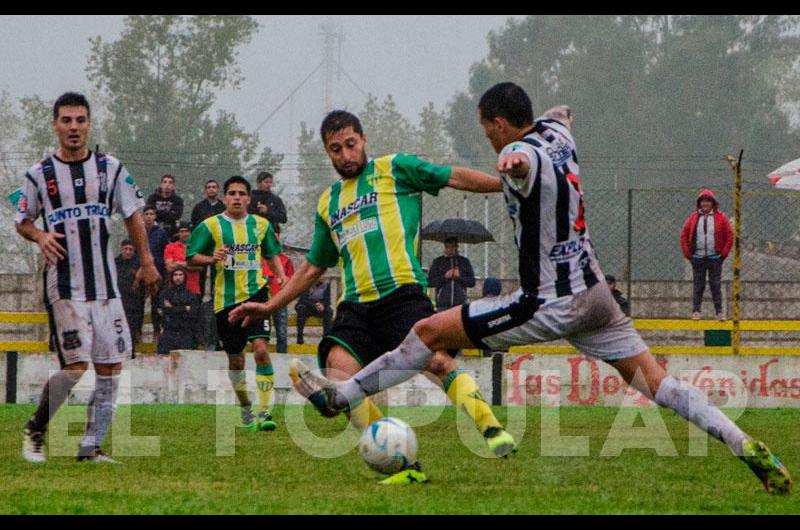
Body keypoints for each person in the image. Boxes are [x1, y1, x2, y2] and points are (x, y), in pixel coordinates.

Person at [285, 83, 792, 495]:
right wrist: (552, 120)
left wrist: (512, 163)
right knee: (659, 385)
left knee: (425, 332)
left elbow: (520, 164)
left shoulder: (520, 155)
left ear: (500, 125)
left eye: (488, 131)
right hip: (598, 296)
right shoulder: (557, 134)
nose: (489, 142)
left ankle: (340, 397)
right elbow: (563, 113)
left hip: (550, 302)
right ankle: (741, 441)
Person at [230, 110, 514, 485]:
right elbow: (315, 265)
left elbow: (452, 176)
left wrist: (507, 185)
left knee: (438, 362)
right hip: (356, 306)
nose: (345, 155)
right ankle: (402, 467)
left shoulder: (393, 168)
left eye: (350, 144)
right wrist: (270, 305)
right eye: (336, 149)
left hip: (402, 294)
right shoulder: (327, 202)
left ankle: (492, 429)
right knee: (340, 374)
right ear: (327, 153)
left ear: (362, 139)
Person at [16, 92, 161, 464]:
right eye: (66, 120)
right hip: (65, 285)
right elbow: (23, 220)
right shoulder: (38, 174)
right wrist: (40, 235)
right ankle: (35, 428)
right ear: (55, 125)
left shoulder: (110, 168)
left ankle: (90, 447)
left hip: (106, 287)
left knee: (111, 366)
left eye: (80, 120)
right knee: (77, 366)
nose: (74, 128)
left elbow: (132, 213)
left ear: (89, 123)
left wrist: (147, 261)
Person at [187, 176, 286, 432]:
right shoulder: (211, 225)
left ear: (249, 198)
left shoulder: (261, 224)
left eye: (242, 193)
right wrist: (211, 258)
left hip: (257, 295)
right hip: (226, 302)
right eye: (232, 193)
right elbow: (191, 257)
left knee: (262, 350)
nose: (237, 197)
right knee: (237, 361)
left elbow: (272, 252)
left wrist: (281, 275)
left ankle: (265, 411)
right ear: (224, 197)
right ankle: (245, 407)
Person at [680, 189, 732, 321]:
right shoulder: (693, 218)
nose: (705, 204)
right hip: (697, 258)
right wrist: (688, 255)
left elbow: (729, 235)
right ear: (699, 203)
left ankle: (719, 312)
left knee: (715, 285)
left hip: (715, 258)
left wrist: (723, 254)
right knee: (698, 285)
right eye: (703, 201)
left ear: (713, 203)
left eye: (708, 201)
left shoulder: (721, 218)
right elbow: (684, 235)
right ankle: (696, 311)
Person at [190, 179, 226, 299]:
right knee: (201, 274)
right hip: (203, 246)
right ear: (205, 190)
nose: (211, 189)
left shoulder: (223, 207)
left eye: (214, 187)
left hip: (219, 246)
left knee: (218, 275)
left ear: (218, 190)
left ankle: (215, 301)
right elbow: (194, 226)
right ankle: (198, 302)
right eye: (209, 187)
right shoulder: (199, 207)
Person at [156, 266, 199, 354]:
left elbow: (192, 314)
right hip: (169, 332)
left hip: (185, 332)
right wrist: (184, 308)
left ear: (184, 277)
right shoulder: (165, 293)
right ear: (172, 277)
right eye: (175, 275)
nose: (178, 277)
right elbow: (164, 311)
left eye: (180, 275)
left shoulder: (191, 295)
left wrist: (172, 308)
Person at [427, 237, 476, 311]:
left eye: (453, 246)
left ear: (457, 247)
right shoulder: (438, 262)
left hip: (460, 303)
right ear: (445, 247)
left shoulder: (464, 262)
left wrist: (459, 277)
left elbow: (472, 282)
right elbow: (430, 282)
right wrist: (445, 277)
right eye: (447, 247)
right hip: (442, 304)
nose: (450, 250)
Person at [144, 205, 169, 342]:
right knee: (137, 302)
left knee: (156, 302)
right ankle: (135, 331)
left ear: (154, 216)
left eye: (151, 214)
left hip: (158, 271)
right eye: (146, 213)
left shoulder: (161, 232)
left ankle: (157, 330)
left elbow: (165, 251)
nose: (148, 216)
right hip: (141, 271)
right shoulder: (139, 231)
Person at [263, 250, 295, 353]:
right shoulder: (259, 258)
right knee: (262, 334)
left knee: (281, 333)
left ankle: (282, 358)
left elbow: (292, 280)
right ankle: (262, 360)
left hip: (280, 301)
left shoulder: (286, 260)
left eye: (276, 234)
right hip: (263, 301)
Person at [116, 240, 145, 345]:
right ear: (121, 249)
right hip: (118, 301)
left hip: (134, 302)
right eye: (125, 249)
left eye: (130, 249)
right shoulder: (115, 262)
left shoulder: (138, 264)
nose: (128, 252)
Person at [164, 221, 202, 297]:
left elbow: (200, 267)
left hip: (193, 289)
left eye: (187, 231)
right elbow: (169, 268)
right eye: (182, 231)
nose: (184, 234)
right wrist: (190, 265)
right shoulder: (170, 247)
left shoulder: (197, 248)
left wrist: (179, 264)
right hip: (174, 289)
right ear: (178, 233)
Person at [295, 279, 333, 344]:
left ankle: (326, 337)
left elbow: (328, 300)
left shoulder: (326, 284)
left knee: (329, 311)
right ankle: (300, 335)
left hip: (319, 306)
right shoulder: (307, 282)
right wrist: (315, 304)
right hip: (307, 306)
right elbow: (303, 299)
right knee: (301, 308)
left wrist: (323, 305)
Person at [146, 174, 184, 238]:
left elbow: (177, 216)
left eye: (170, 182)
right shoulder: (152, 198)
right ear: (161, 185)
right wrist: (169, 213)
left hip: (171, 232)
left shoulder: (178, 200)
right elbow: (149, 213)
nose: (167, 185)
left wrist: (158, 212)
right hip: (153, 231)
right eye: (165, 182)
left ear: (173, 186)